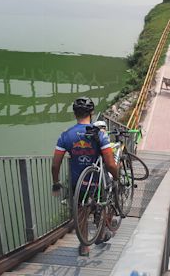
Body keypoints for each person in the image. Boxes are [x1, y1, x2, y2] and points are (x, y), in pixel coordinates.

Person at [51, 97, 119, 257]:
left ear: (74, 113)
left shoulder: (66, 136)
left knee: (81, 210)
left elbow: (55, 165)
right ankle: (101, 234)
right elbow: (110, 164)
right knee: (104, 201)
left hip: (78, 181)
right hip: (97, 181)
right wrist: (116, 177)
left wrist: (56, 182)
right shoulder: (99, 135)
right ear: (92, 113)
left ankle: (84, 246)